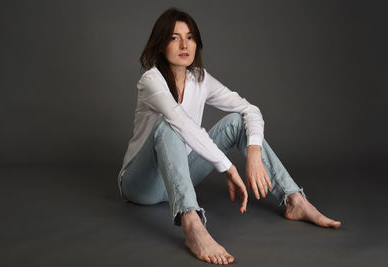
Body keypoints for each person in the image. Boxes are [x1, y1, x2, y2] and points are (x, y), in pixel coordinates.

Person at [117, 7, 341, 265]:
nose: (184, 45)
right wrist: (228, 167)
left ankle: (294, 199)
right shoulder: (151, 80)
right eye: (174, 37)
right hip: (140, 185)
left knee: (237, 121)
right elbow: (182, 124)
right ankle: (192, 225)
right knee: (169, 126)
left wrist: (254, 152)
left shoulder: (199, 79)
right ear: (160, 43)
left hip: (179, 178)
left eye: (189, 37)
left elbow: (250, 110)